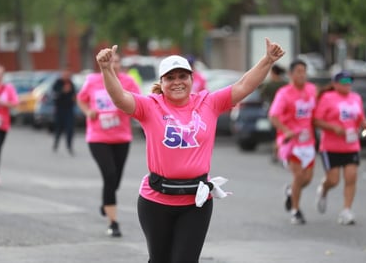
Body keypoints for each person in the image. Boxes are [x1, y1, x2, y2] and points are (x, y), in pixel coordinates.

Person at [96, 38, 284, 262]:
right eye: (170, 78)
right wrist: (107, 69)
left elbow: (243, 85)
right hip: (156, 202)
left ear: (192, 79)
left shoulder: (208, 103)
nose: (177, 82)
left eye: (182, 76)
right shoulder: (150, 106)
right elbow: (120, 98)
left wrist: (268, 60)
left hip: (196, 203)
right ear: (162, 82)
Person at [77, 53, 140, 237]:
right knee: (110, 174)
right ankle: (113, 222)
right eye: (112, 61)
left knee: (115, 180)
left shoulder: (127, 82)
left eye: (118, 62)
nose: (115, 65)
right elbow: (81, 98)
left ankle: (107, 202)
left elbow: (139, 101)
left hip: (122, 137)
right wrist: (88, 111)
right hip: (98, 137)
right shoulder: (92, 80)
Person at [313, 70, 366, 225]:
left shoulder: (356, 98)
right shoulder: (327, 98)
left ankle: (346, 210)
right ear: (335, 84)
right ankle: (324, 189)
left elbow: (360, 118)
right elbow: (316, 121)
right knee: (333, 180)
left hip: (351, 145)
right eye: (344, 82)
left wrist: (365, 123)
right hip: (330, 146)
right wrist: (333, 128)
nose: (348, 85)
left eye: (349, 81)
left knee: (351, 177)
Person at [268, 59, 317, 225]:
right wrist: (286, 130)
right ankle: (296, 211)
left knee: (308, 179)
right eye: (298, 71)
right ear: (290, 74)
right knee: (298, 175)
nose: (302, 75)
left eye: (304, 71)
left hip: (308, 141)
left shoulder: (311, 90)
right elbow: (273, 116)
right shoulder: (284, 93)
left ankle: (290, 191)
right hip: (291, 142)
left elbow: (316, 114)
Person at [260, 64, 287, 162]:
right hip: (285, 112)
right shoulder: (285, 84)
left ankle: (276, 152)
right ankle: (281, 152)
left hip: (274, 112)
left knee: (275, 133)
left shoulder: (269, 84)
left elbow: (262, 95)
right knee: (283, 132)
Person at [52, 66, 76, 155]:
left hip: (69, 109)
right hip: (59, 109)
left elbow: (74, 94)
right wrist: (63, 91)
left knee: (70, 129)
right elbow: (54, 95)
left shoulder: (71, 83)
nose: (67, 75)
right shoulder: (57, 83)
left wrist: (74, 99)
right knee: (59, 129)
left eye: (68, 74)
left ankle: (69, 146)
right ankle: (56, 143)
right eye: (65, 74)